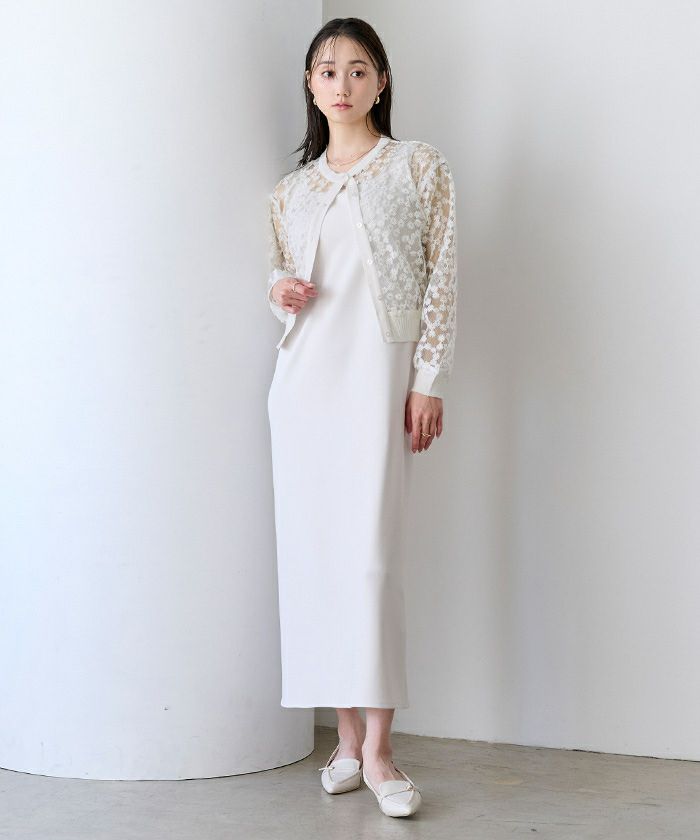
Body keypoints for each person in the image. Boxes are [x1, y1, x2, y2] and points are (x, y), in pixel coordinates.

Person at [265, 17, 457, 818]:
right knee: (317, 561)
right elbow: (280, 275)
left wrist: (428, 379)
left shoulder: (417, 166)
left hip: (380, 375)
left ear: (381, 81)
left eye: (357, 69)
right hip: (303, 385)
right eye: (326, 70)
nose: (340, 83)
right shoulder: (291, 190)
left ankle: (381, 749)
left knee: (372, 561)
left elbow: (443, 273)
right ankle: (345, 739)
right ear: (310, 86)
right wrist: (278, 290)